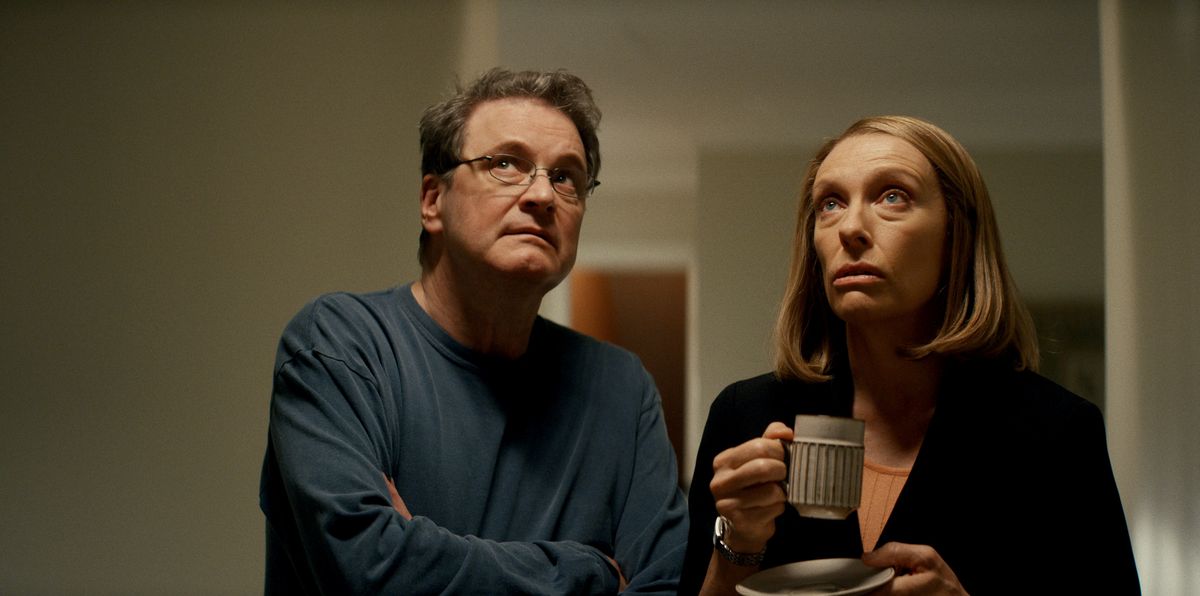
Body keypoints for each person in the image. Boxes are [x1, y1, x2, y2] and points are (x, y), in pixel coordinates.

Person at [259, 68, 688, 594]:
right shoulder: (339, 347)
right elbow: (374, 572)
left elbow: (665, 586)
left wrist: (424, 550)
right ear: (432, 200)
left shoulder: (621, 388)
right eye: (505, 164)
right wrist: (591, 572)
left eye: (566, 177)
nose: (542, 196)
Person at [680, 116, 1140, 595]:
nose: (851, 229)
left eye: (892, 196)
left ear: (956, 234)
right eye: (830, 204)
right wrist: (739, 542)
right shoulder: (747, 416)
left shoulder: (1056, 433)